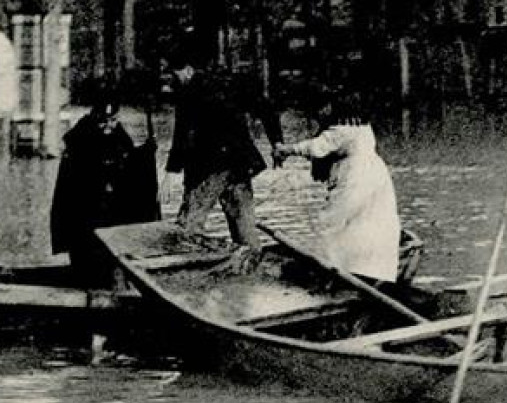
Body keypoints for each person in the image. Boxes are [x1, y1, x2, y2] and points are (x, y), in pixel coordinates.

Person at [163, 36, 284, 265]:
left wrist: (171, 172)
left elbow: (182, 135)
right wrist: (276, 142)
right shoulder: (232, 81)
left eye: (174, 73)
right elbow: (266, 108)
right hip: (240, 164)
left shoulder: (189, 92)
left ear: (187, 70)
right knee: (245, 230)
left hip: (208, 168)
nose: (173, 79)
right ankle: (252, 272)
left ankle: (184, 275)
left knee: (188, 228)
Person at [274, 98, 401, 283]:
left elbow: (317, 148)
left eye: (323, 109)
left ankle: (334, 267)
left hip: (355, 178)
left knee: (333, 221)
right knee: (369, 220)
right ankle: (368, 268)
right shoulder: (360, 126)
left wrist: (286, 149)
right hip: (374, 176)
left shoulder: (343, 129)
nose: (320, 114)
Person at [50, 96, 154, 286]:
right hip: (86, 210)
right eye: (103, 122)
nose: (108, 126)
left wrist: (145, 154)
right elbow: (76, 181)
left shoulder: (119, 135)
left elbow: (129, 165)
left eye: (113, 121)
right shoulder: (79, 137)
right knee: (87, 250)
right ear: (95, 117)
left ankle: (113, 275)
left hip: (110, 208)